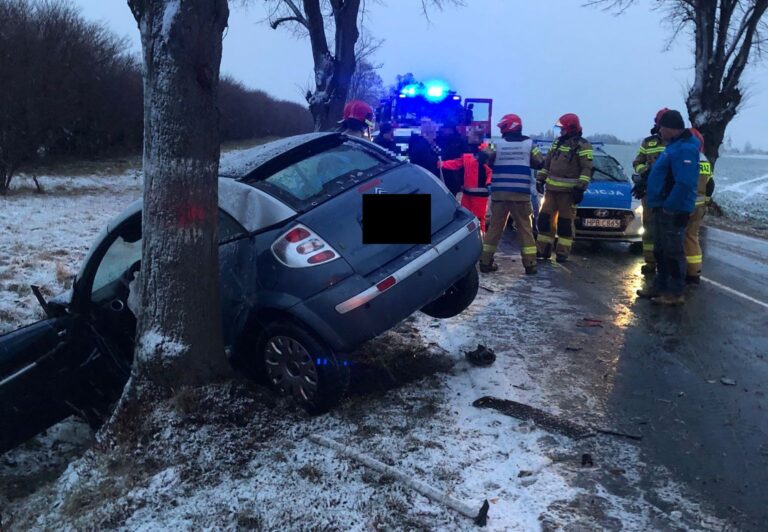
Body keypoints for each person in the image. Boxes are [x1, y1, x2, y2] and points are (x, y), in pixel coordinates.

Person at [636, 110, 700, 305]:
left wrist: (670, 207)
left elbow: (684, 183)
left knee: (673, 252)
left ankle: (675, 292)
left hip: (672, 210)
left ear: (671, 128)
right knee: (660, 250)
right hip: (661, 206)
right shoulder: (674, 146)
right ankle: (660, 285)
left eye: (662, 127)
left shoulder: (685, 149)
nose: (659, 130)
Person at [479, 113, 544, 275]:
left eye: (502, 127)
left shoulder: (497, 144)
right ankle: (530, 264)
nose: (501, 131)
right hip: (520, 194)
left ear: (508, 127)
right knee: (525, 228)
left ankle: (485, 262)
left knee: (494, 228)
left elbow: (483, 156)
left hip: (499, 194)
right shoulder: (529, 144)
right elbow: (540, 163)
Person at [535, 113, 593, 263]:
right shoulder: (557, 143)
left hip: (568, 193)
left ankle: (562, 253)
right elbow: (547, 164)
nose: (560, 132)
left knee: (565, 224)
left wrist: (580, 188)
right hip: (551, 191)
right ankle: (543, 250)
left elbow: (586, 169)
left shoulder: (583, 145)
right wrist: (540, 179)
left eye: (563, 129)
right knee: (544, 221)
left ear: (571, 128)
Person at [631, 108, 670, 275]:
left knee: (666, 229)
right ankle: (650, 261)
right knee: (648, 227)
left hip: (668, 193)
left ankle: (666, 263)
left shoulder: (675, 142)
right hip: (649, 192)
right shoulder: (648, 142)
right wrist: (644, 172)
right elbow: (637, 162)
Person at [439, 142, 495, 233]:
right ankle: (478, 237)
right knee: (475, 219)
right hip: (475, 194)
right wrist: (442, 164)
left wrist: (442, 164)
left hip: (474, 194)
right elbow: (456, 163)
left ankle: (476, 236)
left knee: (469, 218)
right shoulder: (479, 159)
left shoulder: (469, 158)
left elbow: (456, 163)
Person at [684, 127, 715, 284]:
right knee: (692, 237)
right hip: (700, 207)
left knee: (677, 237)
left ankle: (678, 273)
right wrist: (707, 201)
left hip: (685, 205)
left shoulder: (687, 156)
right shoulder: (704, 160)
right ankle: (694, 271)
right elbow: (710, 184)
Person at [436, 120, 469, 195]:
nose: (444, 131)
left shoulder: (457, 141)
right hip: (447, 172)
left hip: (453, 173)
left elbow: (462, 160)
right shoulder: (443, 139)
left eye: (446, 129)